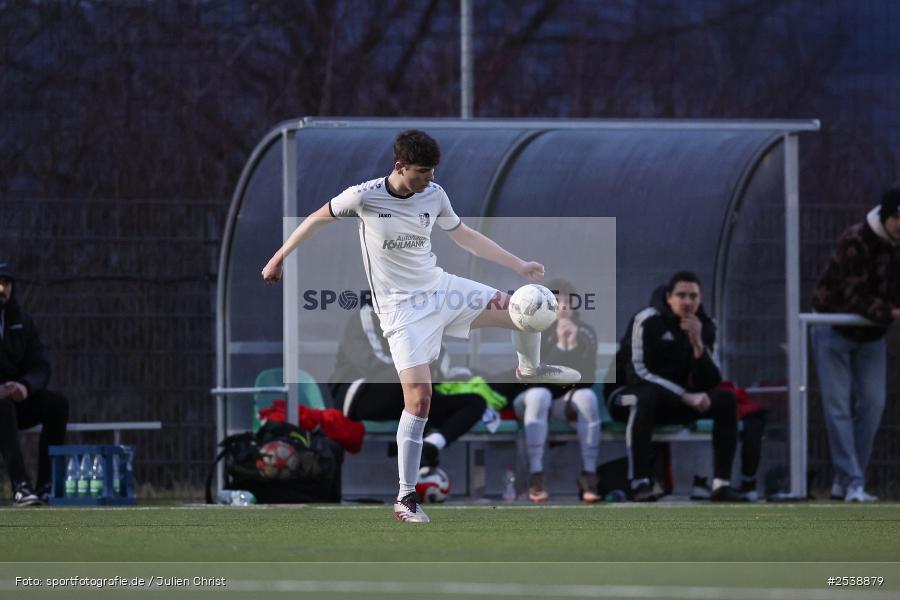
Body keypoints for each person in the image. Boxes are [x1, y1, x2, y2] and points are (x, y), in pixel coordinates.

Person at [262, 130, 579, 523]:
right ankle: (406, 497)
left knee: (529, 304)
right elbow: (314, 220)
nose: (429, 179)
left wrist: (519, 265)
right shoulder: (363, 196)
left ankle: (528, 368)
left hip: (441, 289)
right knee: (420, 398)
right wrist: (278, 259)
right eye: (422, 172)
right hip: (400, 311)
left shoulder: (435, 193)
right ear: (400, 167)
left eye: (432, 172)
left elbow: (465, 236)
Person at [605, 271, 742, 502]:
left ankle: (721, 485)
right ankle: (640, 482)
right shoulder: (647, 320)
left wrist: (698, 344)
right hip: (625, 395)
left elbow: (711, 380)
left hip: (672, 401)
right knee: (643, 398)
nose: (687, 302)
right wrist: (685, 395)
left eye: (693, 296)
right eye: (681, 295)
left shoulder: (706, 326)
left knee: (726, 399)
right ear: (669, 297)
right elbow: (638, 373)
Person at [810, 187, 900, 503]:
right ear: (888, 218)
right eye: (899, 218)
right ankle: (852, 481)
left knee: (873, 404)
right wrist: (890, 312)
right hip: (834, 330)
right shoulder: (856, 240)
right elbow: (853, 294)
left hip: (871, 336)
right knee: (837, 407)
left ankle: (847, 481)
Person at [329, 298, 487, 470]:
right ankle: (413, 457)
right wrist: (420, 369)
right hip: (362, 396)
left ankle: (430, 447)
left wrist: (470, 378)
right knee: (410, 380)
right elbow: (372, 364)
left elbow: (441, 365)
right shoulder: (367, 314)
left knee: (475, 401)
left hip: (409, 397)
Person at [512, 279, 601, 503]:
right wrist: (561, 346)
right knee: (540, 396)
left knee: (587, 398)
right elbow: (533, 376)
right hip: (530, 397)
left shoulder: (586, 333)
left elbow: (587, 378)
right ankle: (536, 474)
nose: (564, 306)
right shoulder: (532, 327)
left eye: (569, 301)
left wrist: (573, 346)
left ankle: (589, 475)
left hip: (565, 399)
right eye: (558, 301)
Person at [0, 261, 69, 506]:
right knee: (3, 407)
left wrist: (25, 387)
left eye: (6, 283)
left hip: (15, 401)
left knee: (56, 404)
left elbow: (41, 365)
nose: (1, 288)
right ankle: (20, 485)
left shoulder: (23, 323)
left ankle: (45, 486)